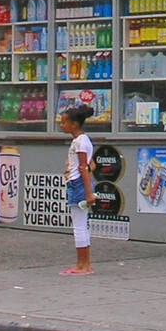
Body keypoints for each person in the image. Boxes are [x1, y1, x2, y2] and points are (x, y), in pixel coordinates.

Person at [59, 104, 97, 276]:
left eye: (64, 122)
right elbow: (91, 165)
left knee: (79, 226)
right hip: (79, 183)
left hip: (78, 184)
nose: (61, 125)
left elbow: (84, 168)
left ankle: (82, 265)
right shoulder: (83, 141)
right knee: (82, 225)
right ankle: (84, 264)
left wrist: (88, 192)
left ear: (74, 124)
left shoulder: (79, 141)